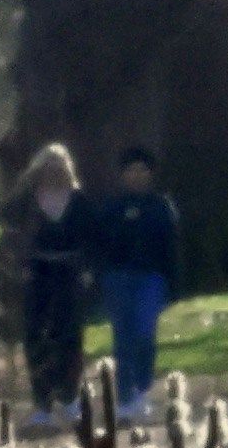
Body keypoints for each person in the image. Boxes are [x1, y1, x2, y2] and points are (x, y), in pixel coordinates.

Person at [74, 149, 186, 419]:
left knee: (145, 335)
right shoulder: (111, 208)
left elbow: (171, 247)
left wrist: (173, 283)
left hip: (151, 279)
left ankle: (143, 387)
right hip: (118, 279)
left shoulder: (161, 207)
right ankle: (124, 398)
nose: (137, 176)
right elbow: (97, 244)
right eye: (131, 170)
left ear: (150, 174)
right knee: (122, 338)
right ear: (123, 175)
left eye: (142, 170)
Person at [8, 145, 88, 422]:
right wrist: (22, 265)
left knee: (69, 336)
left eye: (59, 165)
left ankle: (69, 397)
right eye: (48, 165)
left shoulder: (78, 201)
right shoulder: (27, 202)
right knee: (36, 338)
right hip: (38, 274)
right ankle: (42, 403)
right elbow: (11, 233)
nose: (54, 171)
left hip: (69, 274)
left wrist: (87, 269)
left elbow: (90, 238)